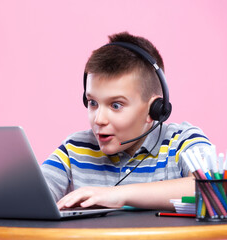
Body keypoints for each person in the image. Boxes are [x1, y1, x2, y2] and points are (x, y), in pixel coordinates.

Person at [40, 32, 211, 211]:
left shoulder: (182, 142)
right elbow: (30, 198)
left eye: (116, 105)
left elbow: (215, 190)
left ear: (153, 109)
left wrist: (118, 195)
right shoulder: (74, 149)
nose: (99, 119)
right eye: (93, 103)